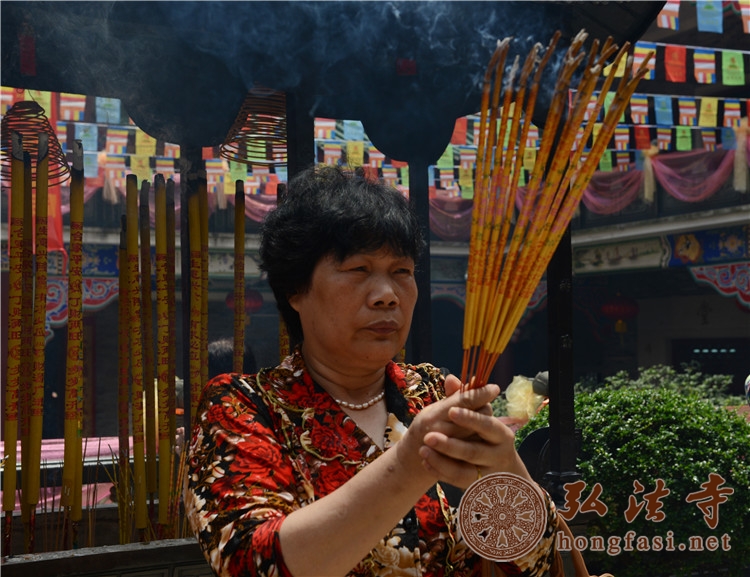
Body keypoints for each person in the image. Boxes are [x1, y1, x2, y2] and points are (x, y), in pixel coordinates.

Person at [183, 166, 558, 577]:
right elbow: (252, 563)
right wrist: (409, 465)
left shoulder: (432, 393)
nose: (386, 295)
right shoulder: (243, 407)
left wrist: (506, 470)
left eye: (401, 272)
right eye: (358, 269)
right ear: (296, 289)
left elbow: (536, 565)